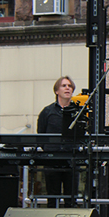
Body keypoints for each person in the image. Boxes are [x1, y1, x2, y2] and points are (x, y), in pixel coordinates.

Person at [37, 76, 76, 208]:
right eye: (64, 85)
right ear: (56, 91)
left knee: (71, 197)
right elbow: (41, 135)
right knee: (52, 196)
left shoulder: (77, 112)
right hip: (52, 159)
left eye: (70, 86)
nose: (67, 88)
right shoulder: (47, 112)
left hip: (71, 158)